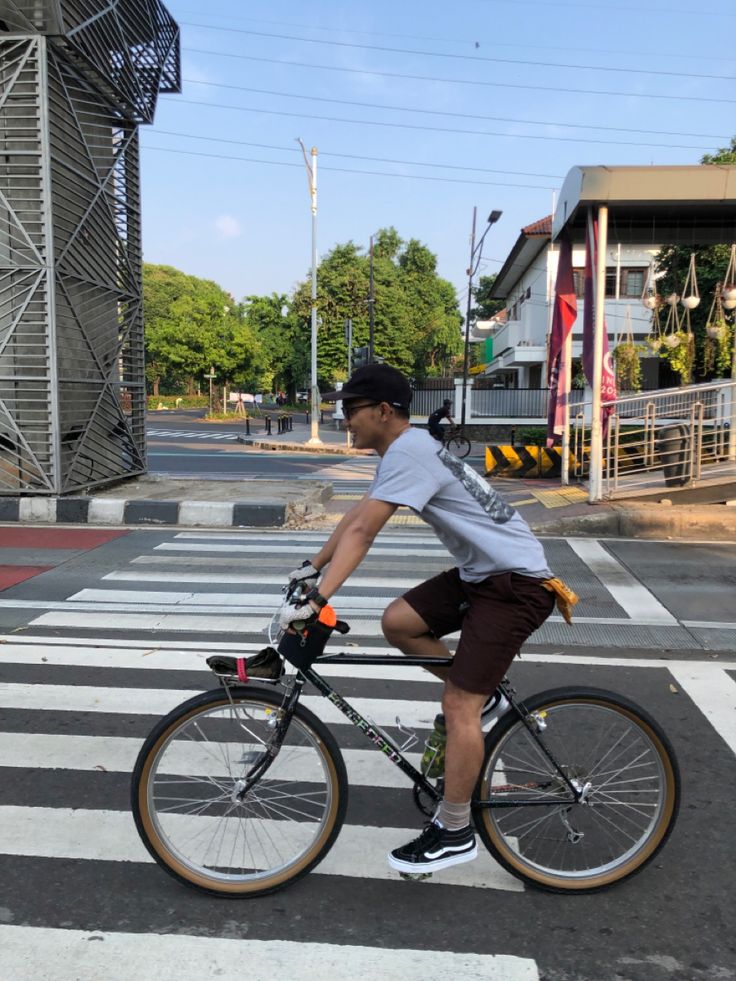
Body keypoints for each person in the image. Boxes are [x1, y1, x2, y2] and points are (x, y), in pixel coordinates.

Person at [280, 363, 575, 876]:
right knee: (399, 622)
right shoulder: (406, 449)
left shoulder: (411, 451)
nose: (343, 418)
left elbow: (366, 534)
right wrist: (313, 567)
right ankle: (488, 700)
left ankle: (455, 829)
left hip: (516, 586)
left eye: (350, 409)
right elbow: (356, 518)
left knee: (458, 702)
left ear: (383, 411)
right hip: (485, 575)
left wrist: (317, 599)